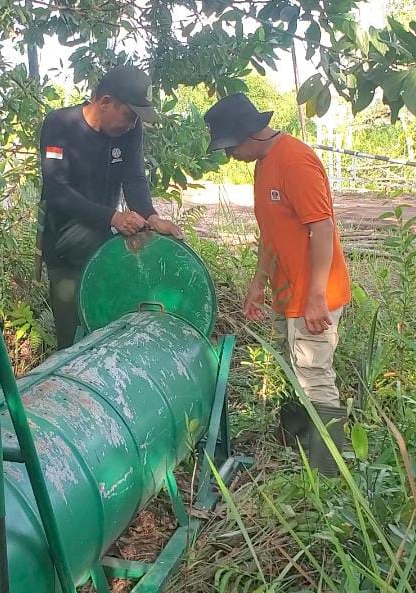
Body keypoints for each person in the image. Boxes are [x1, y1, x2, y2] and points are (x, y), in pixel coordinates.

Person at [203, 93, 351, 477]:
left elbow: (322, 228)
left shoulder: (295, 161)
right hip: (288, 294)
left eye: (230, 147)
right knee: (293, 371)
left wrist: (316, 297)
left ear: (249, 135)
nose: (228, 156)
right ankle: (300, 455)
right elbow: (272, 232)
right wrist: (258, 281)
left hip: (315, 295)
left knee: (315, 376)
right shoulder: (263, 164)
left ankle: (330, 474)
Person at [38, 65, 184, 349]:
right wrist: (114, 217)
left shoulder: (130, 131)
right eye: (128, 116)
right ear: (105, 102)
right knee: (70, 338)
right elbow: (57, 191)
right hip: (65, 244)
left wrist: (151, 217)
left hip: (103, 245)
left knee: (105, 328)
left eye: (135, 120)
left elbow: (134, 178)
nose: (130, 125)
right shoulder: (60, 125)